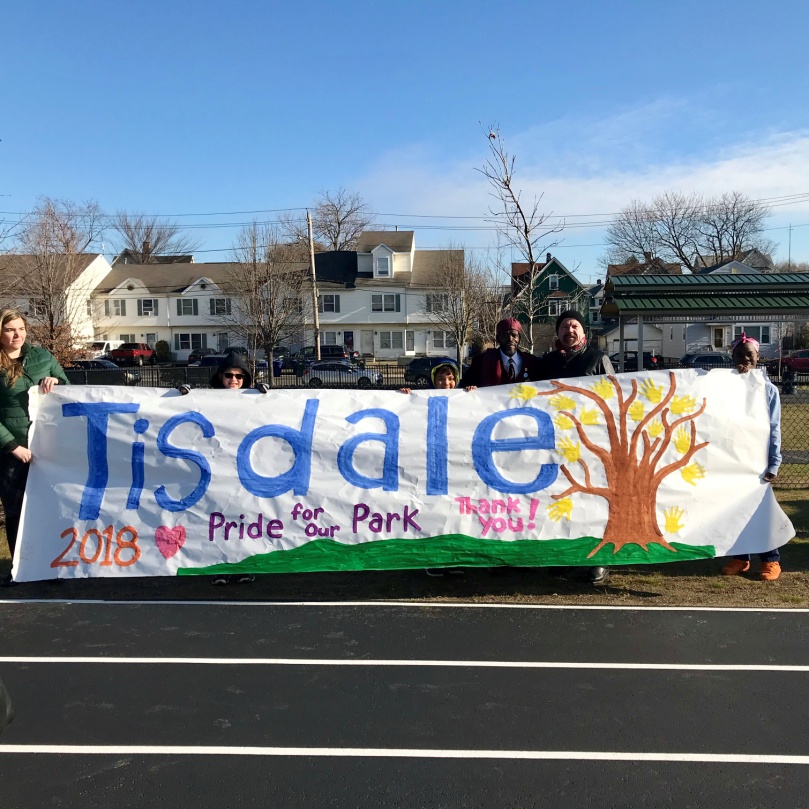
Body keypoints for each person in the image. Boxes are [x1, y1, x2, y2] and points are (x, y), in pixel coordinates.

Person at [539, 310, 614, 585]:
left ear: (583, 331)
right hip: (557, 442)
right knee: (563, 499)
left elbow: (613, 396)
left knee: (594, 500)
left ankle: (599, 559)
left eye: (574, 326)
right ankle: (566, 556)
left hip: (592, 442)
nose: (569, 331)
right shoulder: (548, 362)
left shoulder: (597, 358)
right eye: (564, 327)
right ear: (558, 333)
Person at [0, 309, 68, 574]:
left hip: (46, 446)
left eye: (21, 328)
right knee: (16, 511)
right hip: (11, 453)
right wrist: (12, 446)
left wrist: (57, 380)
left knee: (49, 508)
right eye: (9, 329)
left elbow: (69, 391)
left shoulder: (43, 357)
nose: (16, 334)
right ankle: (21, 569)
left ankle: (50, 566)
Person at [721, 333, 784, 581]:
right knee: (733, 509)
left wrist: (774, 463)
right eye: (739, 355)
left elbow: (774, 427)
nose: (745, 359)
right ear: (732, 357)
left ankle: (770, 560)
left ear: (758, 357)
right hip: (731, 458)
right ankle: (741, 557)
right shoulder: (724, 388)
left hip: (757, 461)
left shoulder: (768, 390)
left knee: (761, 511)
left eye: (750, 355)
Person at [209, 353, 255, 584]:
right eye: (229, 375)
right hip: (218, 467)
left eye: (239, 376)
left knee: (245, 517)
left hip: (246, 469)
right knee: (219, 518)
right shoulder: (207, 399)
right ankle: (221, 567)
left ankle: (244, 566)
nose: (234, 380)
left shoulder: (254, 399)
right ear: (221, 377)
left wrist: (265, 397)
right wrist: (182, 396)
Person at [458, 318, 541, 390]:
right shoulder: (481, 362)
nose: (510, 339)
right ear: (498, 339)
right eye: (505, 335)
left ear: (519, 338)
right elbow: (465, 386)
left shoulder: (532, 362)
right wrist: (470, 388)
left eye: (514, 335)